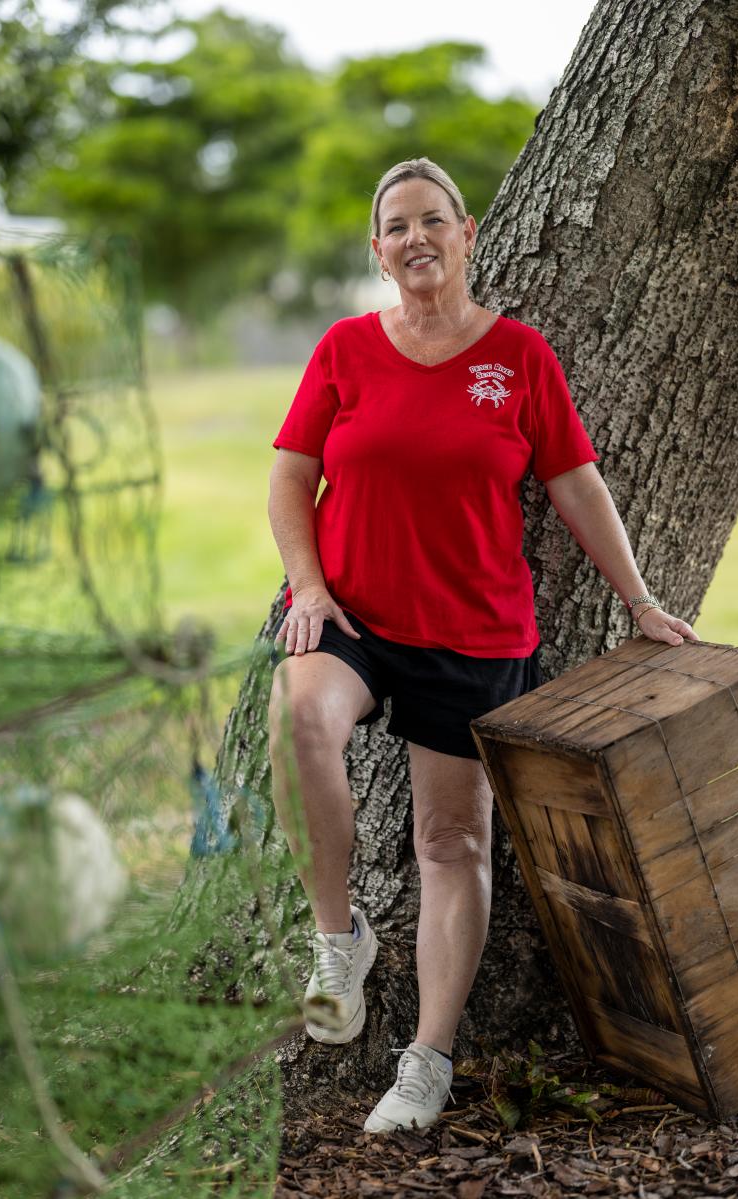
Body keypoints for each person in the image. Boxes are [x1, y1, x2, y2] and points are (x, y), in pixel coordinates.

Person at [266, 157, 699, 1134]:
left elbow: (574, 484)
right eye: (395, 227)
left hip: (473, 633)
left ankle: (425, 1058)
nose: (415, 238)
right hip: (355, 621)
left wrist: (634, 596)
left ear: (465, 234)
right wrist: (308, 585)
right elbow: (290, 477)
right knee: (298, 717)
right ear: (377, 253)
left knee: (452, 839)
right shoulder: (342, 349)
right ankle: (338, 937)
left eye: (432, 220)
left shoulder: (519, 355)